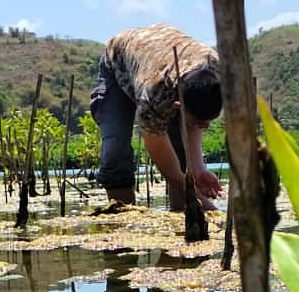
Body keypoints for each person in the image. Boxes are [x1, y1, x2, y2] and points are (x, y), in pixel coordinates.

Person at [90, 24, 224, 211]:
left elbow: (193, 124)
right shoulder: (155, 93)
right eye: (199, 122)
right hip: (119, 61)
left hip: (162, 53)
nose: (206, 127)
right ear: (178, 105)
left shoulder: (218, 74)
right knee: (115, 153)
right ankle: (122, 219)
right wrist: (207, 208)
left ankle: (182, 217)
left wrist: (198, 168)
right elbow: (167, 166)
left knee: (183, 160)